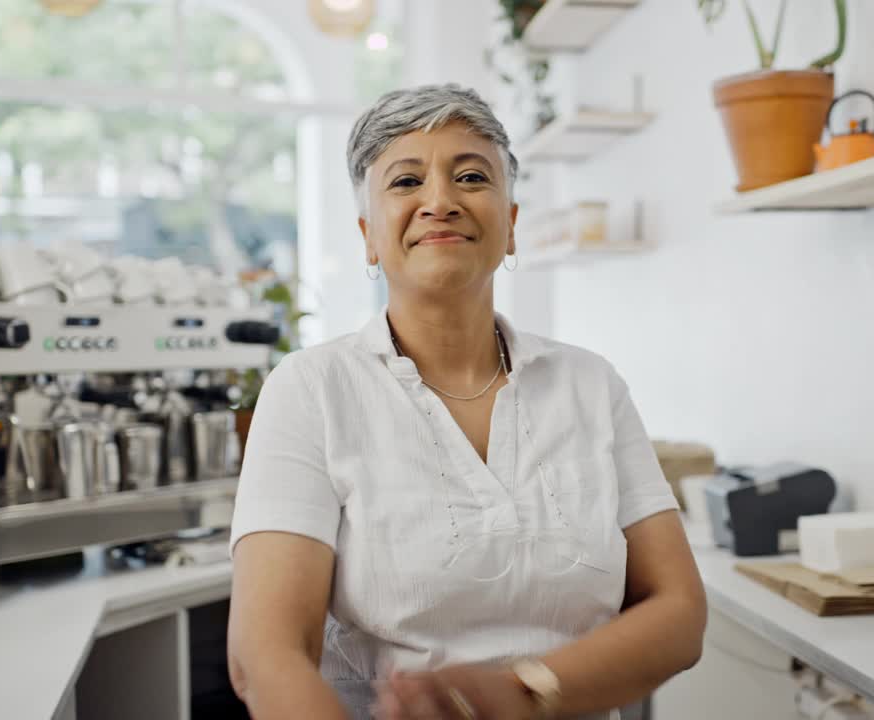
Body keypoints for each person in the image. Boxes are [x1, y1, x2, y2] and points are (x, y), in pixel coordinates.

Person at [228, 84, 707, 720]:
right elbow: (265, 655)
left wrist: (522, 693)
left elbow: (679, 613)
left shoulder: (590, 385)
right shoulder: (312, 388)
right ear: (370, 237)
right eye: (405, 182)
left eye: (471, 176)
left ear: (509, 227)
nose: (440, 202)